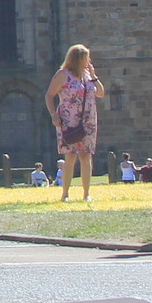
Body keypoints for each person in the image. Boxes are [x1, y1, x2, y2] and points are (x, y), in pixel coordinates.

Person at [45, 45, 105, 203]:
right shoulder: (63, 75)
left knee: (86, 155)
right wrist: (53, 115)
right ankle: (65, 193)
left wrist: (94, 76)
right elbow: (49, 95)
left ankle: (86, 194)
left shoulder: (87, 76)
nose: (89, 61)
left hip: (88, 120)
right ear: (77, 59)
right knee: (70, 155)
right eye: (86, 58)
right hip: (69, 119)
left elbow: (100, 93)